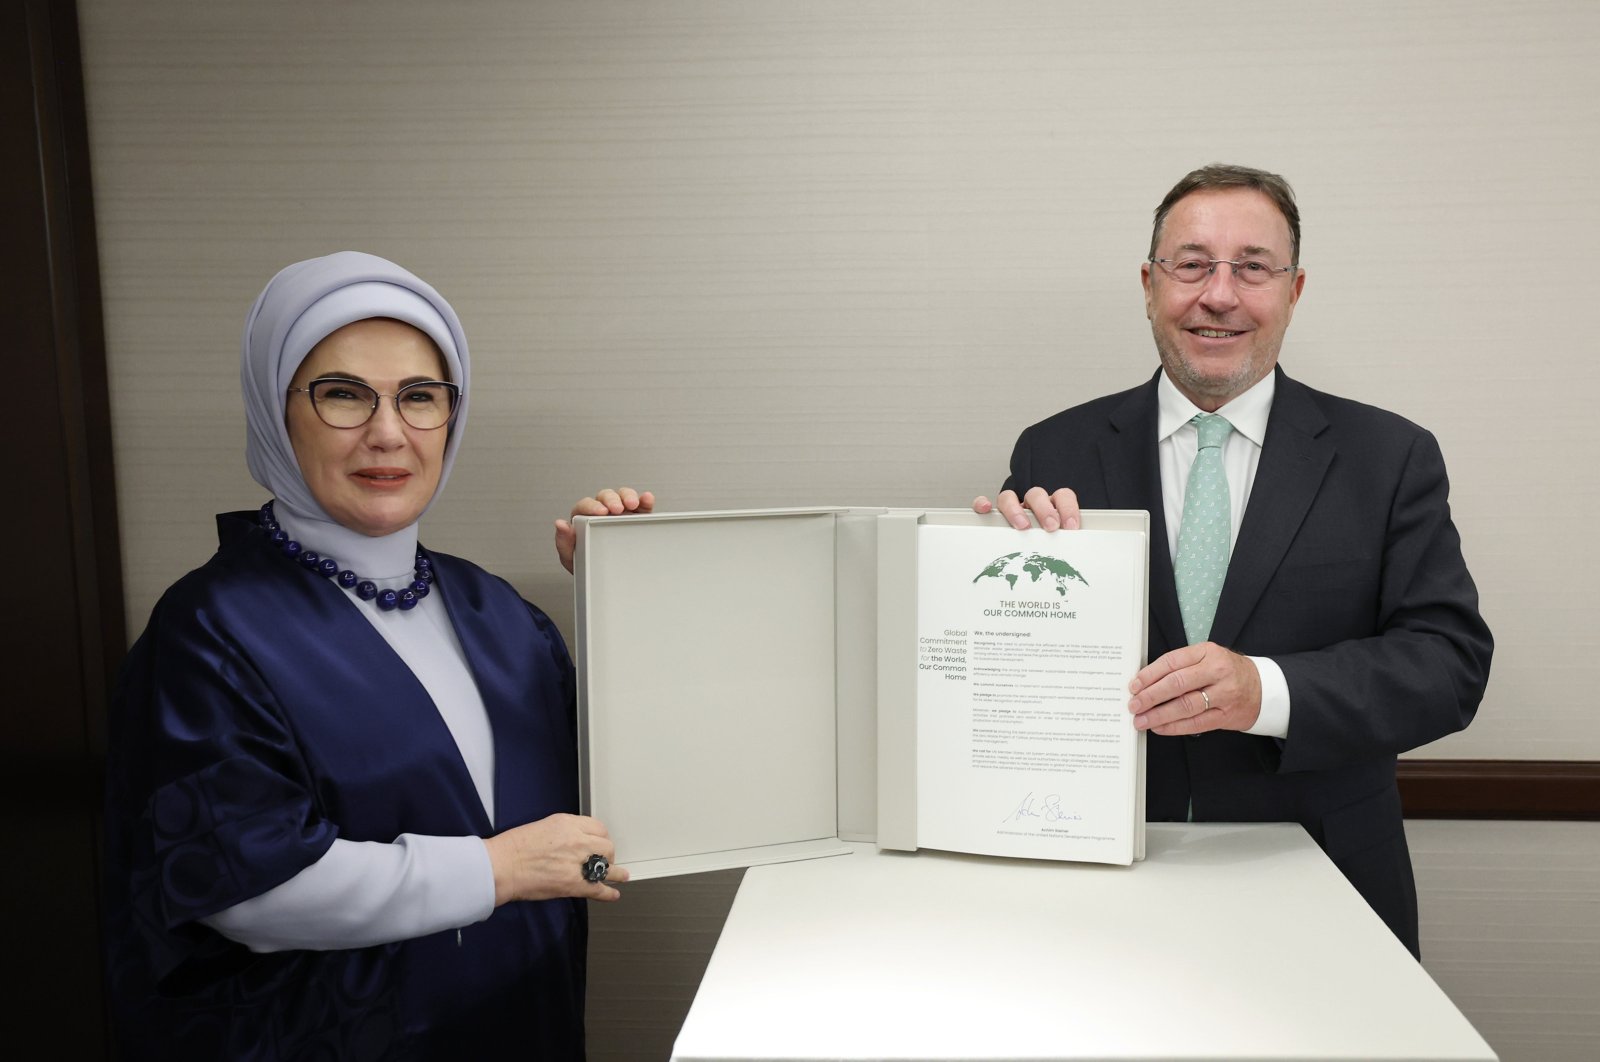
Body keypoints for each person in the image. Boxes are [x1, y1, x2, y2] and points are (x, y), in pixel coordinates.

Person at [103, 251, 651, 1059]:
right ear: (274, 410)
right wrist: (497, 870)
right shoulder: (210, 630)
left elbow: (621, 791)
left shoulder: (500, 613)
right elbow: (244, 888)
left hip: (522, 1022)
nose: (388, 432)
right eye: (343, 394)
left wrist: (628, 598)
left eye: (420, 397)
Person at [975, 164, 1492, 958]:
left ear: (1294, 289)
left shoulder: (1388, 457)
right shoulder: (1055, 449)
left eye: (1252, 267)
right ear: (1149, 285)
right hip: (1092, 880)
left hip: (1323, 879)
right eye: (1191, 265)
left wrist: (1269, 690)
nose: (1219, 294)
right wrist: (984, 584)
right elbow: (1002, 669)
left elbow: (1449, 665)